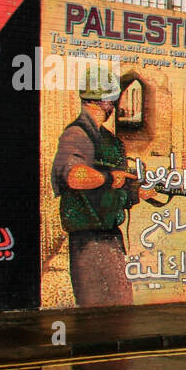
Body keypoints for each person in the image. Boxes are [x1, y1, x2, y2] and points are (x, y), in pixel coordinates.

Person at [51, 66, 159, 306]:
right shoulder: (76, 134)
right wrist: (110, 178)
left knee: (120, 303)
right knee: (97, 308)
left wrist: (138, 192)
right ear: (104, 102)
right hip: (88, 240)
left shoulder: (106, 139)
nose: (114, 105)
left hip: (110, 235)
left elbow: (115, 183)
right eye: (112, 99)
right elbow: (75, 176)